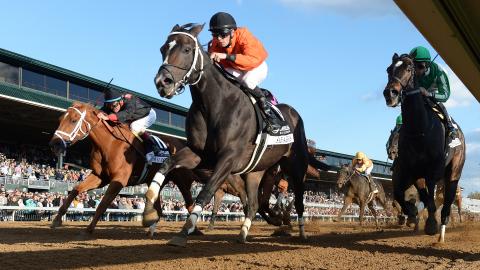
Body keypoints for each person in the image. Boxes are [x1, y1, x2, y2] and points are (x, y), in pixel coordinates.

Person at [208, 11, 282, 133]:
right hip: (237, 67)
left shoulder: (244, 35)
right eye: (215, 35)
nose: (219, 39)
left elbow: (252, 60)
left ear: (232, 32)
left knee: (247, 81)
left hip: (256, 66)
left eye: (222, 35)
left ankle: (270, 116)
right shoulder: (215, 42)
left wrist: (225, 56)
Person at [409, 46, 460, 148]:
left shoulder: (439, 72)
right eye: (412, 66)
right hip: (417, 95)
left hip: (431, 94)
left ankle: (450, 128)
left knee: (437, 104)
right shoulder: (410, 73)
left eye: (418, 66)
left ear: (427, 65)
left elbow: (445, 95)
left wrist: (429, 94)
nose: (415, 71)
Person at [98, 88, 160, 163]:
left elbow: (126, 114)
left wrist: (108, 117)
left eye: (114, 105)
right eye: (110, 106)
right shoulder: (111, 102)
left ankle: (152, 146)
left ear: (120, 101)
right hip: (134, 116)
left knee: (134, 127)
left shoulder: (130, 101)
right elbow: (102, 110)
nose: (113, 108)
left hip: (148, 114)